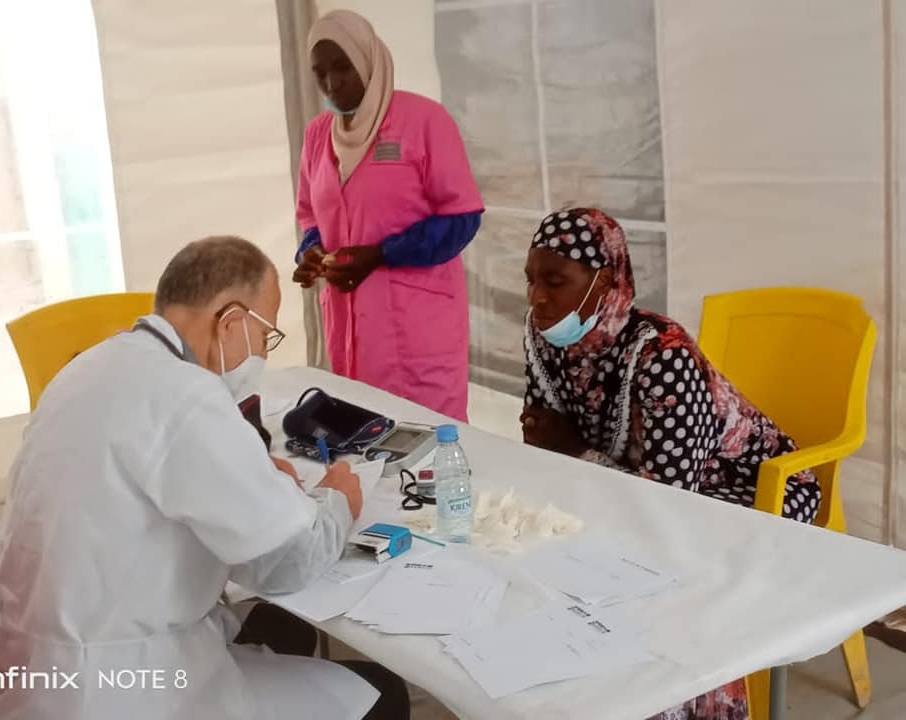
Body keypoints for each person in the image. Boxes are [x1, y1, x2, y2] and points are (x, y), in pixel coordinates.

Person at [0, 236, 409, 720]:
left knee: (278, 630)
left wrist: (250, 476)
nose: (262, 353)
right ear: (230, 322)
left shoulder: (90, 367)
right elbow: (286, 566)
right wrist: (339, 499)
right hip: (122, 689)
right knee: (379, 694)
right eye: (266, 333)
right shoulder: (187, 396)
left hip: (32, 671)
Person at [520, 208, 823, 720]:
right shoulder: (547, 337)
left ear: (607, 281)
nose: (538, 298)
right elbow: (539, 437)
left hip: (748, 487)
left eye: (555, 281)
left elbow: (668, 505)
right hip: (640, 481)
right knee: (550, 554)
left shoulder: (664, 356)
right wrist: (567, 456)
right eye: (530, 280)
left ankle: (688, 704)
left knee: (679, 578)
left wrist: (574, 452)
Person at [293, 9, 484, 422]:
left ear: (369, 60)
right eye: (320, 72)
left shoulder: (425, 121)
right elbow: (311, 214)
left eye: (343, 68)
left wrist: (381, 254)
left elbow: (462, 217)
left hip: (417, 327)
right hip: (350, 324)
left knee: (429, 438)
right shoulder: (317, 135)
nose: (331, 83)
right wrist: (310, 253)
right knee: (363, 436)